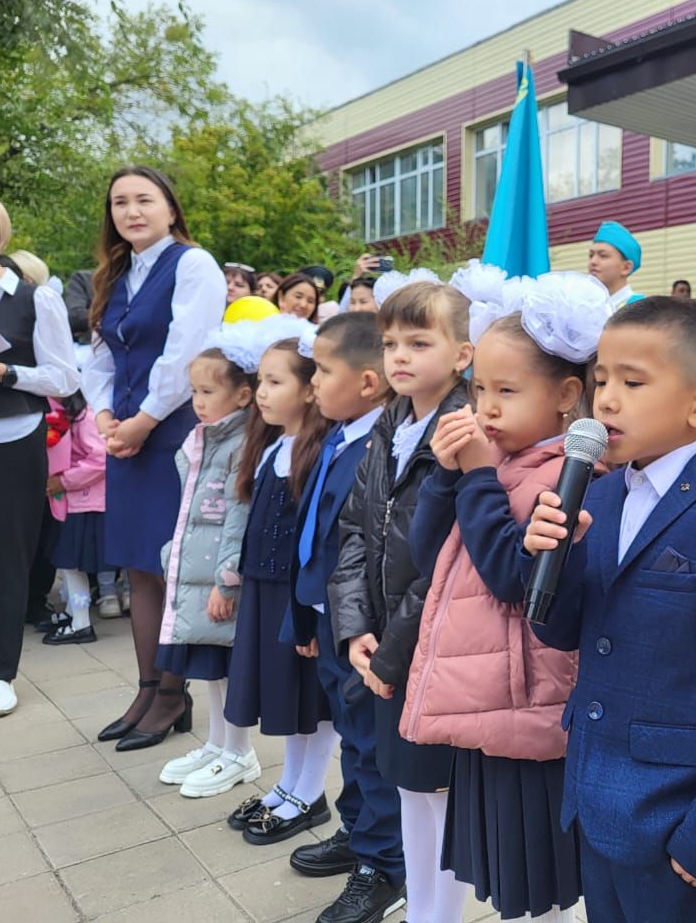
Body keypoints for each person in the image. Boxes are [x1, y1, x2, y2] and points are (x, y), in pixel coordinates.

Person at [523, 296, 696, 923]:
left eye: (633, 382)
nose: (606, 401)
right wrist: (548, 556)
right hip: (592, 799)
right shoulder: (598, 495)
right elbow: (563, 631)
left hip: (678, 820)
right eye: (601, 381)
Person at [404, 267, 609, 923]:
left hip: (529, 707)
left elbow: (511, 582)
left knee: (537, 876)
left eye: (506, 391)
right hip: (489, 701)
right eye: (478, 389)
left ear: (566, 395)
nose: (485, 408)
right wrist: (446, 476)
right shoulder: (500, 464)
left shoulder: (566, 476)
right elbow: (425, 553)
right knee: (505, 871)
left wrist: (476, 477)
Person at [326, 283, 475, 923]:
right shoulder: (391, 421)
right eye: (390, 344)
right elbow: (356, 528)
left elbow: (444, 559)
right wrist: (354, 624)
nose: (400, 357)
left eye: (419, 342)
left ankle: (439, 912)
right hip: (385, 640)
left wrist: (389, 650)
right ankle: (420, 909)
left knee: (434, 789)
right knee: (404, 784)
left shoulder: (463, 429)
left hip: (428, 644)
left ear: (463, 354)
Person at [82, 165, 225, 747]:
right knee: (139, 566)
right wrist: (104, 418)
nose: (131, 211)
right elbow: (100, 358)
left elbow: (185, 352)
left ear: (170, 208)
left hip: (173, 432)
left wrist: (142, 420)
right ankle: (147, 688)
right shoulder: (115, 274)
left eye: (144, 199)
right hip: (126, 437)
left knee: (173, 566)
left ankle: (173, 692)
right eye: (120, 202)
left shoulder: (193, 264)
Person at [281, 311, 407, 923]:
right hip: (329, 617)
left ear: (368, 382)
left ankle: (384, 866)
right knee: (352, 740)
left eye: (323, 372)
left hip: (362, 626)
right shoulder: (338, 436)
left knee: (371, 746)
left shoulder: (378, 448)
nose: (312, 385)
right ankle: (359, 833)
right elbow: (313, 536)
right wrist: (304, 616)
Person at [222, 323, 337, 847]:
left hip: (296, 592)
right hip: (265, 588)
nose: (261, 393)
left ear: (310, 389)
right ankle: (290, 783)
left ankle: (310, 791)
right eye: (260, 381)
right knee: (285, 694)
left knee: (311, 696)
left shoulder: (320, 451)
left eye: (274, 382)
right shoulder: (274, 447)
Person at [0, 190, 79, 717]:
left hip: (10, 438)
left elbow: (65, 377)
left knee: (6, 557)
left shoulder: (36, 299)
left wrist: (6, 373)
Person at [154, 336, 260, 798]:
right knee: (211, 667)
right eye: (194, 391)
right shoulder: (206, 437)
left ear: (242, 394)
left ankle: (239, 751)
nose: (198, 401)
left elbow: (238, 518)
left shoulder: (241, 443)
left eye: (208, 391)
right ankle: (218, 743)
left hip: (218, 581)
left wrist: (226, 581)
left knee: (228, 668)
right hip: (199, 575)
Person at [43, 390, 109, 645]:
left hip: (85, 501)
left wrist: (65, 480)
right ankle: (73, 612)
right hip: (73, 501)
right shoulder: (69, 415)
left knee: (72, 565)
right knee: (67, 564)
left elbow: (101, 458)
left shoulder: (86, 417)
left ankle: (81, 622)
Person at [587, 221, 642, 309]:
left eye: (603, 255)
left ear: (626, 267)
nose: (593, 261)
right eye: (591, 255)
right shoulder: (585, 307)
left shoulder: (640, 308)